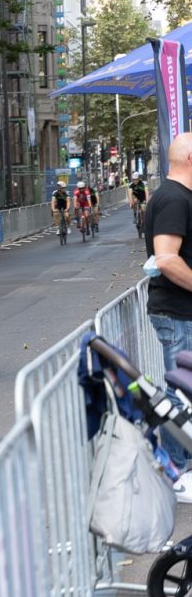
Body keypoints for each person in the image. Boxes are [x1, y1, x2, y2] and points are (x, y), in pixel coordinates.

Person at [145, 132, 192, 502]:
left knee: (185, 393)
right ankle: (173, 472)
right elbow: (166, 258)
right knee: (179, 394)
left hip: (180, 312)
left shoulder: (178, 196)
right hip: (177, 313)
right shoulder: (174, 199)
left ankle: (181, 466)